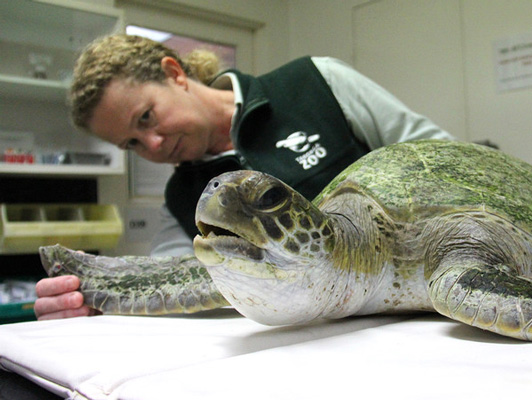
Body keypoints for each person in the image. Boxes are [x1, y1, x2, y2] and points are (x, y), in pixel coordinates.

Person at [34, 34, 455, 320]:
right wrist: (92, 297)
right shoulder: (182, 198)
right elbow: (169, 274)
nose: (154, 145)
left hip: (432, 294)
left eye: (146, 117)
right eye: (132, 143)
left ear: (175, 74)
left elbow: (441, 157)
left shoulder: (314, 83)